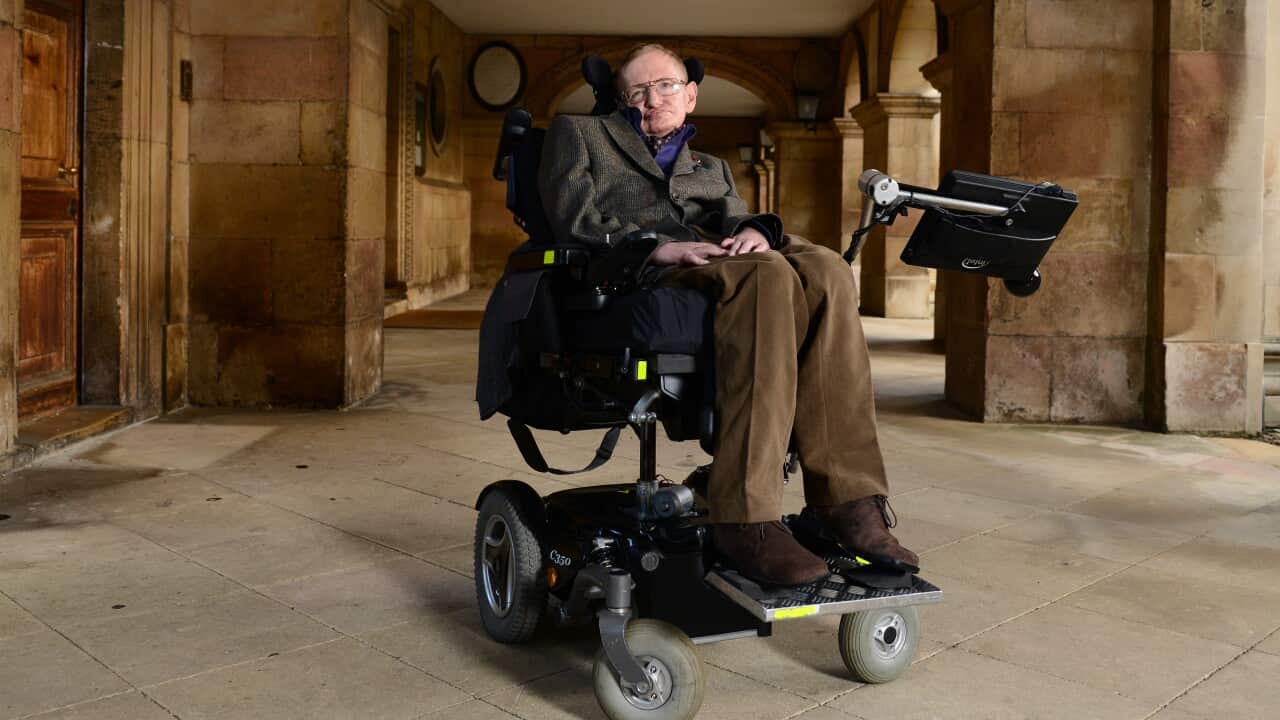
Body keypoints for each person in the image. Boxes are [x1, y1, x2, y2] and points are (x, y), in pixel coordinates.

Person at [537, 43, 917, 587]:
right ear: (620, 101)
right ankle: (744, 516)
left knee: (828, 268)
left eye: (665, 86)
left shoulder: (709, 166)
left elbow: (739, 219)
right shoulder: (580, 135)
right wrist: (655, 250)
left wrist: (758, 231)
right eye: (637, 91)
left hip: (720, 252)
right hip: (646, 263)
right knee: (768, 275)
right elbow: (573, 219)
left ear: (689, 96)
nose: (653, 99)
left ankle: (848, 502)